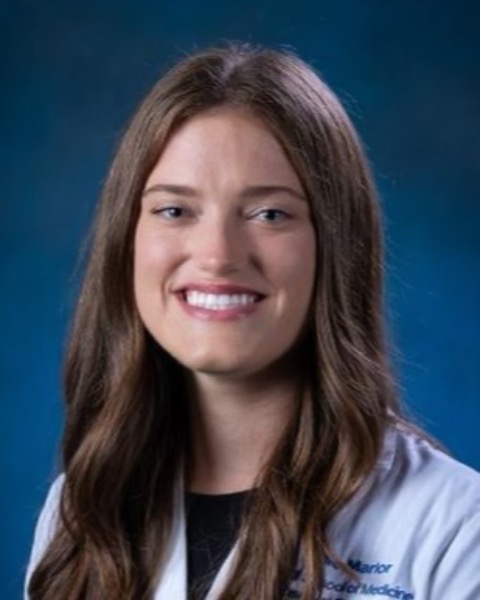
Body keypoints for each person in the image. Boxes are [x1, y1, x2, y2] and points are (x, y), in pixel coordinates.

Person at [25, 43, 480, 600]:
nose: (217, 256)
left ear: (336, 246)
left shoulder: (454, 527)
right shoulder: (80, 514)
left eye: (270, 214)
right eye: (175, 210)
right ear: (128, 240)